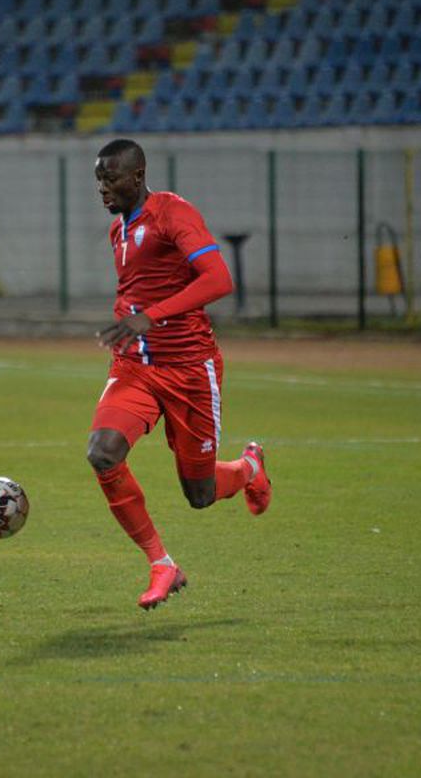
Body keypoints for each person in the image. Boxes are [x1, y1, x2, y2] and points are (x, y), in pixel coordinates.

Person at [88, 138, 272, 610]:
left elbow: (218, 279)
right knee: (103, 452)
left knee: (200, 494)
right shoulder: (119, 232)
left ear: (137, 175)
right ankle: (162, 563)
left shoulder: (173, 213)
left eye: (110, 178)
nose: (103, 188)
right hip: (136, 368)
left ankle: (249, 468)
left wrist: (150, 316)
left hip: (191, 369)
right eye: (98, 179)